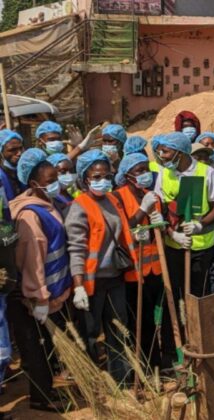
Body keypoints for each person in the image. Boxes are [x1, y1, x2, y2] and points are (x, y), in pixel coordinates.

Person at [65, 149, 137, 384]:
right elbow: (76, 249)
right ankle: (91, 381)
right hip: (91, 281)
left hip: (115, 277)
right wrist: (78, 286)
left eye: (106, 175)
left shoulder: (113, 200)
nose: (102, 180)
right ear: (85, 178)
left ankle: (122, 378)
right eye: (96, 176)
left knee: (119, 327)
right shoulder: (79, 207)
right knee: (90, 332)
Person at [9, 148, 72, 412]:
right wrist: (38, 297)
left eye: (56, 176)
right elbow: (33, 261)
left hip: (49, 293)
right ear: (33, 184)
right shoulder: (30, 216)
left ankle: (45, 390)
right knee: (35, 348)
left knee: (44, 347)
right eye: (50, 181)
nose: (56, 183)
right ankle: (40, 398)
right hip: (33, 296)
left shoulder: (47, 203)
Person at [153, 132, 214, 299]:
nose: (162, 156)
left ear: (180, 153)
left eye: (166, 152)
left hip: (201, 248)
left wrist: (200, 224)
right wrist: (173, 234)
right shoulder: (164, 174)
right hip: (174, 246)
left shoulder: (207, 172)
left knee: (198, 294)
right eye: (160, 151)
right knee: (175, 294)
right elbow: (161, 211)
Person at [114, 153, 165, 368]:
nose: (145, 175)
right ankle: (144, 366)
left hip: (156, 269)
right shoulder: (117, 197)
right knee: (140, 322)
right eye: (139, 171)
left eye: (146, 170)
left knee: (158, 321)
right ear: (127, 176)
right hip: (133, 272)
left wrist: (159, 225)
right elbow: (122, 230)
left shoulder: (152, 196)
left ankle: (159, 363)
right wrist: (142, 210)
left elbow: (157, 233)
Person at [0, 129, 25, 220]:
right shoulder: (1, 178)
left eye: (20, 148)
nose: (19, 153)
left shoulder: (22, 171)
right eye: (12, 150)